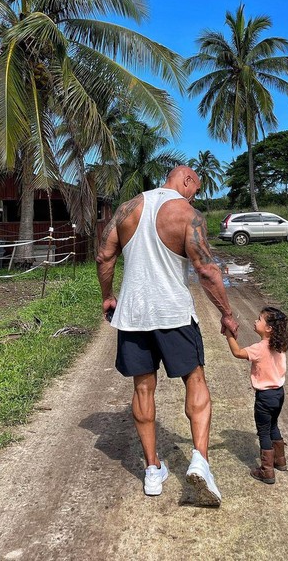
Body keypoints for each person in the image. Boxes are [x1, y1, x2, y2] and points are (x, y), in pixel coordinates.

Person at [96, 165, 239, 506]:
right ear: (187, 180)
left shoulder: (127, 208)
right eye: (196, 189)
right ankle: (200, 462)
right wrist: (227, 313)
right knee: (195, 380)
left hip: (133, 317)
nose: (195, 195)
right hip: (173, 315)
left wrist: (108, 295)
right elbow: (206, 270)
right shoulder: (187, 214)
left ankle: (151, 470)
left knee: (143, 387)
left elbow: (104, 255)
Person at [224, 306, 288, 484]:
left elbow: (237, 352)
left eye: (259, 319)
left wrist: (229, 335)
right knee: (273, 426)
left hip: (264, 397)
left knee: (263, 432)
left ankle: (266, 470)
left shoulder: (259, 348)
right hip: (279, 394)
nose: (255, 321)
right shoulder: (280, 345)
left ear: (269, 328)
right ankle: (280, 460)